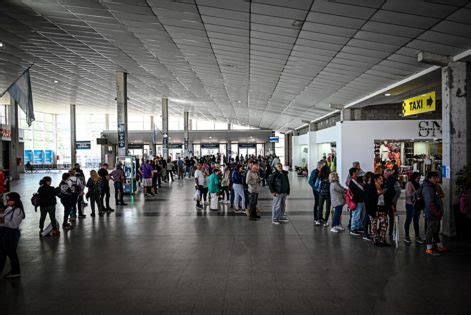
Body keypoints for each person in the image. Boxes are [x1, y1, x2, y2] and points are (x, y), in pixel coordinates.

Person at [0, 192, 26, 278]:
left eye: (9, 200)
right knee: (3, 252)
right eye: (7, 200)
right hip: (5, 233)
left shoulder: (18, 210)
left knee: (11, 253)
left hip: (12, 234)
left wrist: (3, 221)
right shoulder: (9, 208)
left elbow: (14, 225)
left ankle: (15, 271)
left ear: (14, 201)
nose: (7, 201)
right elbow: (3, 215)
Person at [423, 172, 448, 256]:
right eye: (434, 178)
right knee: (430, 231)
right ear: (429, 178)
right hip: (432, 213)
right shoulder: (428, 188)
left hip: (436, 213)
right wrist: (436, 212)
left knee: (435, 230)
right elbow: (429, 202)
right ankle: (429, 249)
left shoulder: (435, 186)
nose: (437, 180)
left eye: (437, 178)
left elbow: (442, 194)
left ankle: (439, 246)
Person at [369, 174, 389, 246]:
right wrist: (380, 193)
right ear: (375, 180)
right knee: (374, 225)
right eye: (380, 179)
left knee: (384, 223)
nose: (382, 180)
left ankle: (382, 239)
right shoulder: (371, 188)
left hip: (382, 208)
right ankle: (375, 240)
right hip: (374, 209)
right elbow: (370, 199)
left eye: (382, 179)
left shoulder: (382, 187)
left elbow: (385, 199)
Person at [404, 172, 425, 245]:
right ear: (414, 177)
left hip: (417, 205)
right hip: (410, 205)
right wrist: (417, 194)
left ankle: (417, 236)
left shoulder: (418, 184)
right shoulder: (409, 184)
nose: (419, 180)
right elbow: (408, 195)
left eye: (419, 178)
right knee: (408, 220)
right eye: (418, 178)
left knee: (416, 221)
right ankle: (406, 236)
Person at [348, 167, 365, 236]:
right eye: (357, 172)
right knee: (356, 215)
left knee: (360, 215)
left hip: (361, 200)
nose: (358, 173)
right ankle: (353, 229)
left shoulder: (357, 180)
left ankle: (358, 227)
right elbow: (355, 193)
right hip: (357, 201)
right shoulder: (351, 182)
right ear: (353, 173)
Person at [362, 172, 376, 241]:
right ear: (370, 178)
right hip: (369, 205)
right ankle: (365, 234)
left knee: (368, 219)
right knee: (367, 220)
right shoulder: (367, 186)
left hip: (370, 204)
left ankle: (368, 233)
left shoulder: (369, 185)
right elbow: (368, 197)